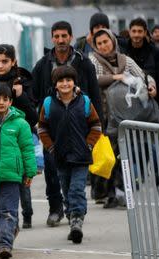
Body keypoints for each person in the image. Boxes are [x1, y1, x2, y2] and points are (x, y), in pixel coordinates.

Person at [32, 20, 102, 226]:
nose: (60, 40)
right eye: (56, 36)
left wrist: (97, 132)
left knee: (76, 178)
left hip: (80, 126)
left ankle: (76, 212)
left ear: (71, 37)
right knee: (53, 174)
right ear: (52, 38)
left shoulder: (83, 62)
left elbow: (95, 95)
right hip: (53, 129)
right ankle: (56, 209)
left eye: (64, 36)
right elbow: (33, 94)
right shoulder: (43, 64)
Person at [89, 29, 158, 208]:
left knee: (123, 156)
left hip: (125, 117)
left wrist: (151, 85)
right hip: (103, 117)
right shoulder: (93, 60)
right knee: (107, 155)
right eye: (99, 43)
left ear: (113, 41)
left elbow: (143, 75)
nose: (104, 46)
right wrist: (115, 77)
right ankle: (105, 193)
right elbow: (93, 78)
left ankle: (120, 192)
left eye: (106, 41)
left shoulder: (125, 60)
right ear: (95, 47)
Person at [38, 65, 101, 244]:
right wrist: (51, 148)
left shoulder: (85, 102)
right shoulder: (49, 104)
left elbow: (96, 126)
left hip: (81, 157)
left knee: (76, 190)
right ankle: (71, 215)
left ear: (74, 83)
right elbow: (42, 128)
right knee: (66, 190)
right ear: (55, 84)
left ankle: (76, 222)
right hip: (61, 157)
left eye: (69, 80)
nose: (65, 83)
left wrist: (88, 145)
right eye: (61, 81)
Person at [0, 44, 38, 230]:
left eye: (5, 61)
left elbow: (33, 117)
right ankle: (8, 227)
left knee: (20, 182)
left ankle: (26, 213)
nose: (0, 65)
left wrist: (20, 96)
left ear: (13, 62)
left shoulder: (23, 81)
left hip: (19, 135)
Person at [0, 82, 37, 259]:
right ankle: (2, 237)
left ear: (11, 101)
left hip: (12, 176)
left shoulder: (21, 124)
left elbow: (27, 148)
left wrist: (30, 172)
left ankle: (4, 244)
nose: (1, 103)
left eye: (5, 99)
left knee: (8, 210)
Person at [125, 18, 159, 103]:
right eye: (134, 31)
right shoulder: (123, 50)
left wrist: (158, 96)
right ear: (129, 32)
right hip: (128, 98)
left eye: (140, 31)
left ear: (145, 32)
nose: (136, 34)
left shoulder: (154, 52)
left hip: (151, 97)